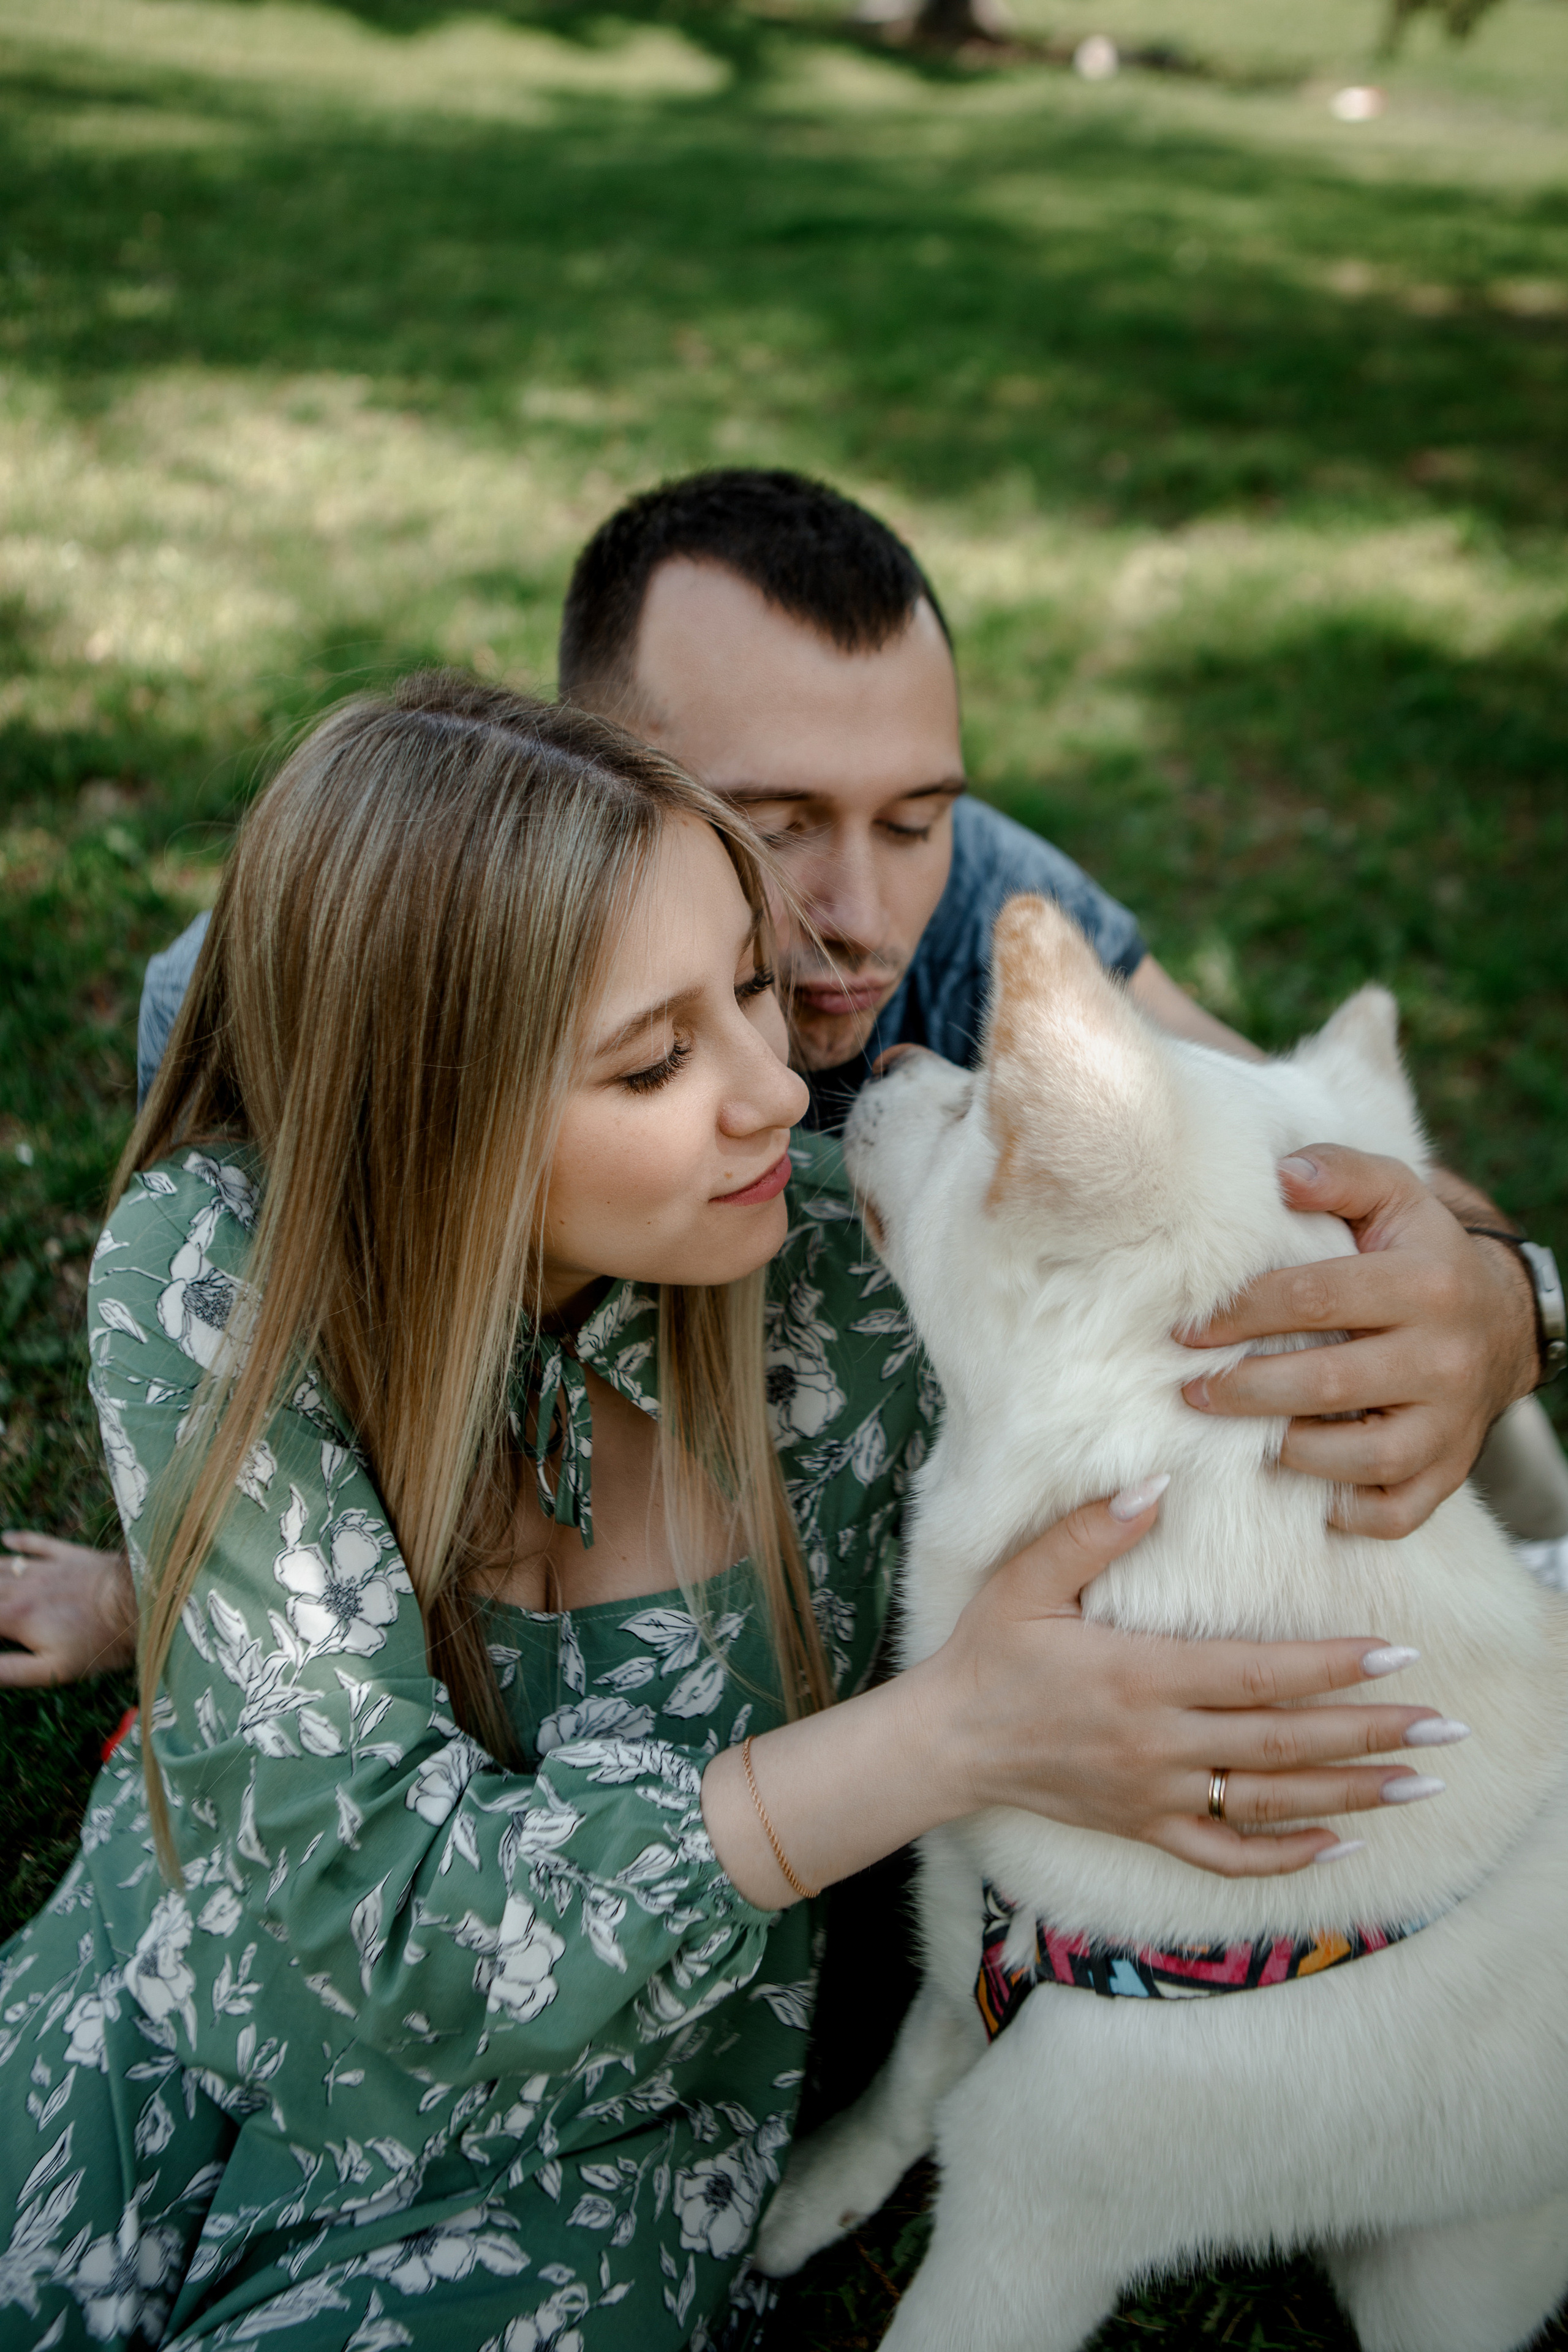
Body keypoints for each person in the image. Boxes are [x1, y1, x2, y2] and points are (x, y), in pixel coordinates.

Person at [0, 677, 1445, 2351]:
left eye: (754, 990)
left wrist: (1508, 1306)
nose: (776, 1091)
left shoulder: (875, 1282)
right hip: (168, 1997)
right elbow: (365, 1912)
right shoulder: (216, 1272)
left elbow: (1290, 1295)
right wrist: (949, 1736)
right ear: (430, 1110)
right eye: (657, 1058)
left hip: (584, 2158)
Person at [5, 471, 1563, 1684]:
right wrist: (165, 1594)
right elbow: (309, 1414)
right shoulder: (320, 994)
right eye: (778, 820)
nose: (863, 920)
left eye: (914, 815)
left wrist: (1504, 1302)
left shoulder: (972, 909)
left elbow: (1345, 1173)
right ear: (585, 775)